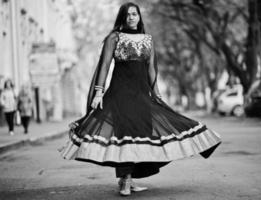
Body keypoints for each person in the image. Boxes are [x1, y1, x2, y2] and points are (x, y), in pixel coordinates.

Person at [60, 2, 221, 196]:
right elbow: (104, 66)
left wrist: (157, 95)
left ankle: (128, 178)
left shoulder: (148, 39)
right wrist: (99, 93)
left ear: (139, 17)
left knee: (142, 134)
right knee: (125, 137)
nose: (131, 18)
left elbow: (152, 69)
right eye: (127, 15)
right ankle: (126, 181)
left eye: (134, 14)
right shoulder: (114, 37)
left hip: (142, 95)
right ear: (122, 18)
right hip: (120, 95)